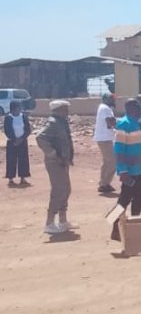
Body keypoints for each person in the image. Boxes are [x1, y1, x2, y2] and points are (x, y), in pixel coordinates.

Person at [35, 100, 75, 234]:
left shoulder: (62, 123)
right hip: (55, 163)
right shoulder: (52, 123)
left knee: (66, 189)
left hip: (63, 162)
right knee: (59, 190)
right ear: (57, 110)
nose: (67, 111)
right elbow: (40, 138)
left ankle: (63, 221)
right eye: (64, 109)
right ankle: (49, 223)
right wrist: (53, 154)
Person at [111, 98, 141, 237]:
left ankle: (134, 228)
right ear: (130, 108)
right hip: (130, 172)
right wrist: (123, 170)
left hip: (140, 170)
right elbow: (119, 150)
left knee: (138, 200)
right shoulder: (123, 125)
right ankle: (114, 226)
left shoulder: (137, 125)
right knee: (123, 201)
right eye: (138, 107)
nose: (140, 109)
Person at [4, 99, 32, 188]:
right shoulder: (8, 118)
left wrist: (22, 138)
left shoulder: (23, 117)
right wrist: (14, 139)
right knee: (11, 160)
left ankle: (23, 178)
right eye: (18, 107)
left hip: (23, 141)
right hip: (12, 142)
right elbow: (7, 130)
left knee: (23, 159)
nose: (20, 108)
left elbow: (28, 129)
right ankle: (11, 179)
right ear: (13, 108)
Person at [92, 93, 117, 194]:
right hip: (104, 138)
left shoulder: (104, 108)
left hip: (104, 138)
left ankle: (103, 183)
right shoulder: (105, 108)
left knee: (107, 162)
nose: (113, 101)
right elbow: (110, 122)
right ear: (106, 99)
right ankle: (104, 184)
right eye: (112, 99)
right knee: (113, 161)